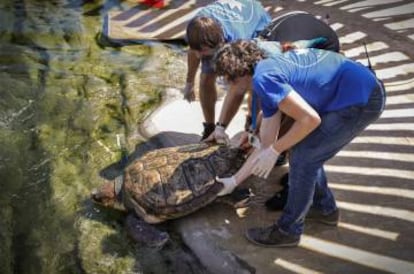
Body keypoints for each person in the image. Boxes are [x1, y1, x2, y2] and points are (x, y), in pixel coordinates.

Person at [213, 40, 385, 247]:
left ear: (240, 75)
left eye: (228, 80)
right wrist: (234, 181)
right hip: (354, 89)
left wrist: (277, 149)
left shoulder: (263, 79)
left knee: (304, 157)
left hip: (362, 99)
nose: (229, 86)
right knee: (306, 153)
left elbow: (310, 120)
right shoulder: (264, 71)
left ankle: (288, 231)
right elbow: (265, 146)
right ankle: (323, 208)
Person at [203, 10, 340, 144]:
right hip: (294, 21)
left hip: (324, 43)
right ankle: (253, 127)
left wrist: (272, 147)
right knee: (258, 91)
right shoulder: (247, 53)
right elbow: (237, 89)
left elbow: (297, 113)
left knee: (285, 105)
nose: (232, 86)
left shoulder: (279, 67)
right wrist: (220, 127)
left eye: (234, 81)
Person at [183, 0, 271, 140]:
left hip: (255, 19)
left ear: (220, 43)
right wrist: (189, 83)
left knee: (251, 80)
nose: (199, 56)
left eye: (203, 51)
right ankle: (209, 127)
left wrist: (222, 127)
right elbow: (193, 52)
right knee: (206, 77)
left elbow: (238, 89)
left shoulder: (237, 40)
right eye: (197, 49)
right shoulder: (195, 29)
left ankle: (251, 123)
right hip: (223, 26)